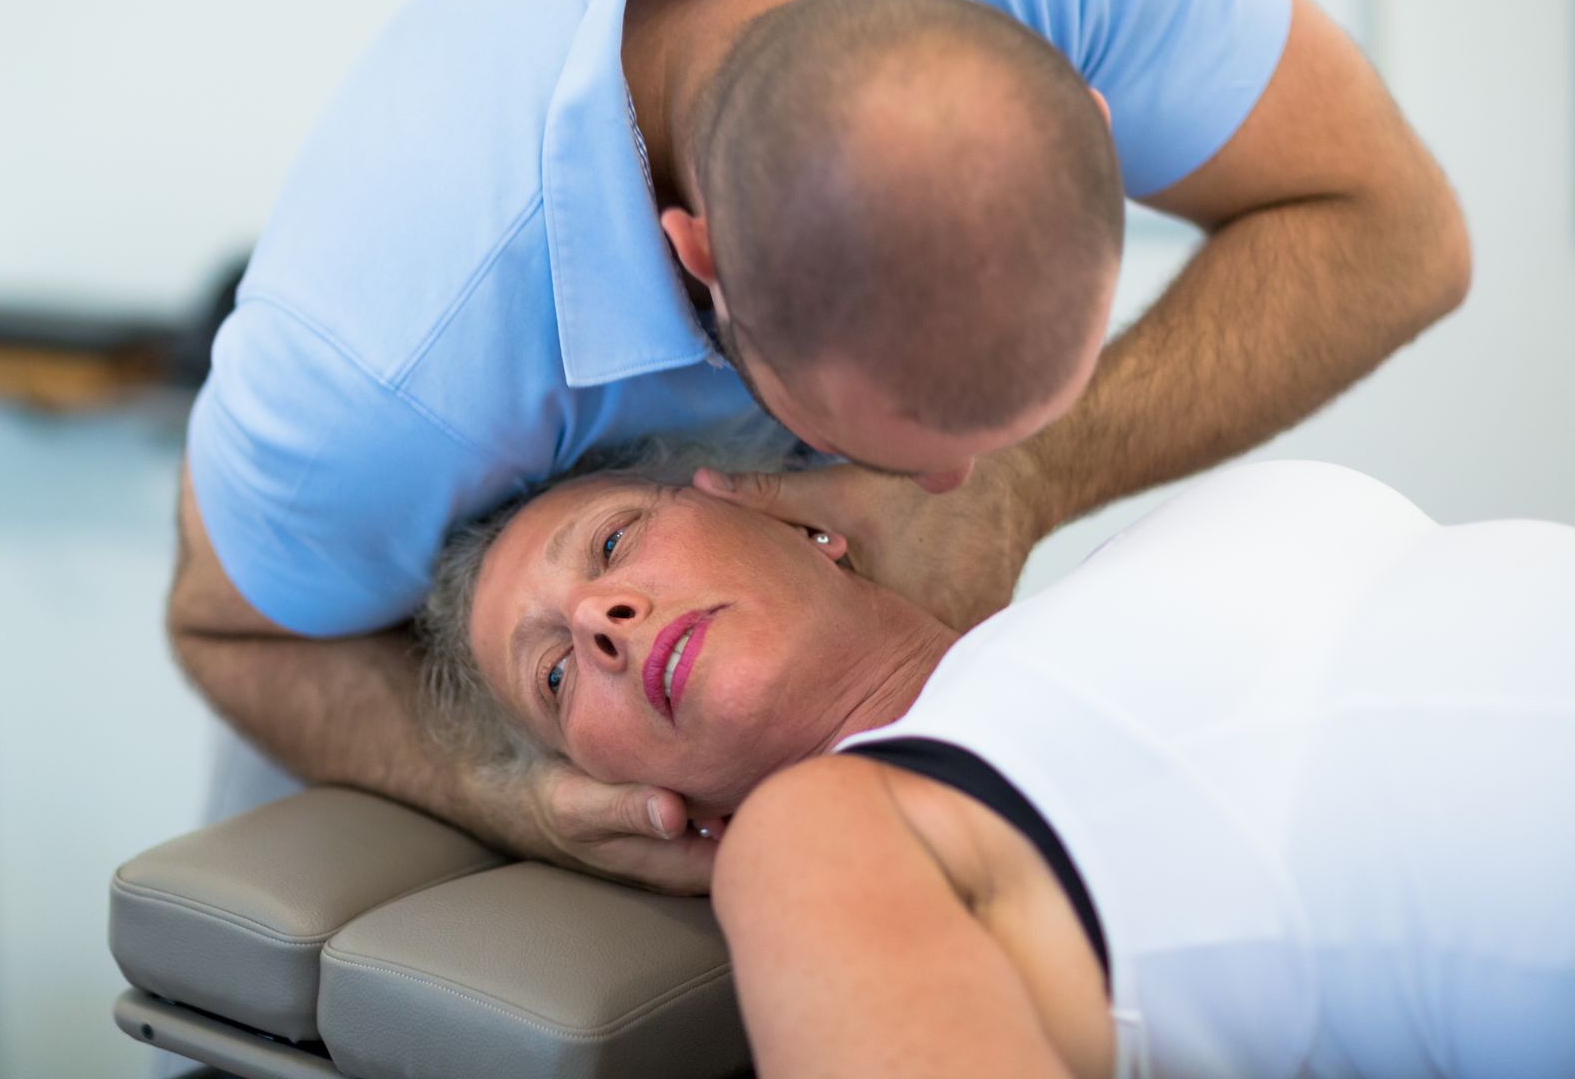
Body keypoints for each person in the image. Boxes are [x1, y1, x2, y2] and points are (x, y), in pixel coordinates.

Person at [170, 0, 1470, 892]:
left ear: (1083, 106)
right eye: (898, 442)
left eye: (1008, 420)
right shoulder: (377, 358)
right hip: (370, 685)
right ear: (702, 265)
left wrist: (1038, 477)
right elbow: (233, 632)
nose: (957, 486)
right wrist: (509, 796)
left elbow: (1396, 229)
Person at [432, 456, 1575, 1078]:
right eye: (553, 677)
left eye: (615, 540)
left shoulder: (1120, 565)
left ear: (796, 520)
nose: (599, 615)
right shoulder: (829, 835)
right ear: (650, 804)